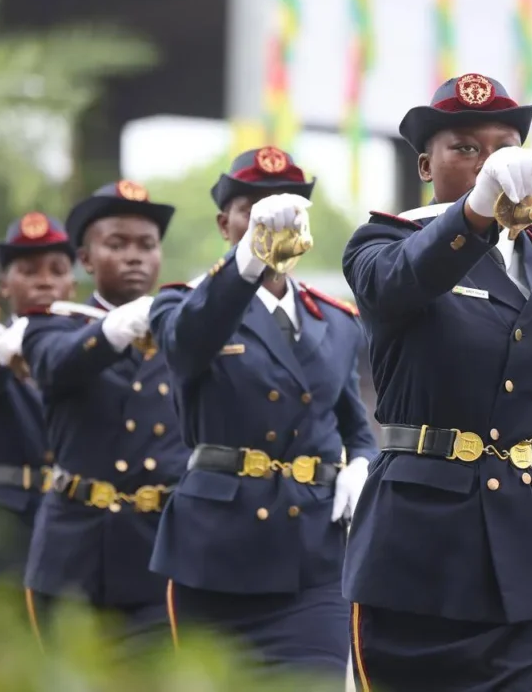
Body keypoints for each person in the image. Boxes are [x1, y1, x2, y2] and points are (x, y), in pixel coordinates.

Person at [341, 73, 532, 692]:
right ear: (426, 166)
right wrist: (475, 211)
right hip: (421, 552)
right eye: (465, 148)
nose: (488, 162)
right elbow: (403, 281)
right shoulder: (384, 241)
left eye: (504, 148)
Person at [147, 147, 377, 676]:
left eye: (290, 208)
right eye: (253, 210)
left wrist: (363, 465)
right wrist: (247, 261)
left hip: (310, 555)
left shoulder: (336, 321)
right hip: (215, 554)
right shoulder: (184, 303)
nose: (275, 220)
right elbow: (186, 348)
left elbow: (355, 428)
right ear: (224, 223)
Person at [21, 181, 187, 647]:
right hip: (73, 557)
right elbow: (57, 364)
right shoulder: (51, 323)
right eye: (117, 244)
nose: (135, 256)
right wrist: (114, 329)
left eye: (146, 245)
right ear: (87, 260)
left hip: (157, 557)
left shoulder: (182, 330)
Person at [0, 214, 75, 592]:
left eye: (57, 269)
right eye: (28, 269)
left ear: (72, 281)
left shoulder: (94, 348)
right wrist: (3, 353)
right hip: (2, 516)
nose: (44, 279)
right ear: (4, 284)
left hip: (73, 517)